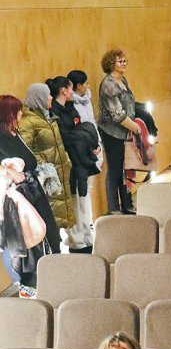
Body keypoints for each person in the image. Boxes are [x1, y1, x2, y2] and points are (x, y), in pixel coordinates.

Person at [0, 96, 57, 295]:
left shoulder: (14, 135)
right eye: (17, 111)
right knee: (20, 247)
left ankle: (44, 284)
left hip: (32, 195)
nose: (21, 114)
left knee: (42, 238)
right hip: (15, 204)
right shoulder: (2, 139)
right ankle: (26, 286)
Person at [18, 83, 74, 235]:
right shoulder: (28, 122)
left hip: (58, 174)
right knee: (50, 220)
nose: (51, 98)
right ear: (39, 98)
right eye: (48, 95)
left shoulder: (48, 117)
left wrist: (66, 161)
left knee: (59, 217)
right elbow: (26, 149)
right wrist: (44, 166)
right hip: (46, 178)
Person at [96, 49, 140, 213]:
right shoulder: (108, 84)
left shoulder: (123, 80)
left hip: (125, 131)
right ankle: (114, 207)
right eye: (120, 62)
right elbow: (117, 115)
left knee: (127, 167)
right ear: (111, 64)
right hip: (112, 133)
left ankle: (127, 204)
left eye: (124, 61)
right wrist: (136, 128)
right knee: (115, 169)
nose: (124, 64)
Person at [62, 70, 101, 252]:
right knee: (76, 201)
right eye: (84, 84)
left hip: (88, 154)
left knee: (85, 198)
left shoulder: (78, 105)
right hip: (75, 160)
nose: (87, 87)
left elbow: (89, 126)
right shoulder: (64, 110)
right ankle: (77, 241)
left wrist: (96, 147)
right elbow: (74, 136)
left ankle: (87, 234)